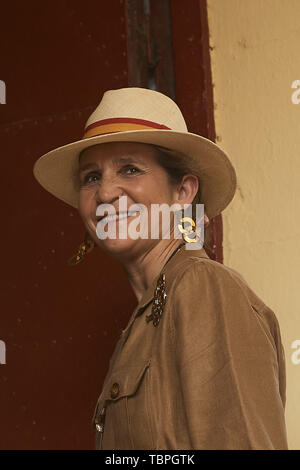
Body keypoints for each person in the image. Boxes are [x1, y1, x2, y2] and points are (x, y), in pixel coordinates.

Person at [33, 87, 288, 450]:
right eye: (91, 177)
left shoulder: (203, 287)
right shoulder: (145, 318)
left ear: (183, 192)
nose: (105, 193)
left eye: (130, 169)